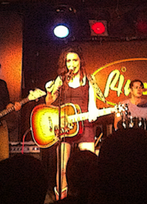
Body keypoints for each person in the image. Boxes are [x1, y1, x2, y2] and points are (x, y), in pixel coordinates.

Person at [45, 46, 99, 200]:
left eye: (75, 60)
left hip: (85, 124)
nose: (71, 64)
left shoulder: (89, 79)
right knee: (62, 168)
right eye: (68, 61)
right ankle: (61, 198)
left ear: (80, 61)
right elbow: (49, 102)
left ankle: (89, 198)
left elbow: (93, 104)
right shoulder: (61, 79)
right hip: (65, 127)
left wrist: (93, 112)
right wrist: (50, 92)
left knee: (89, 164)